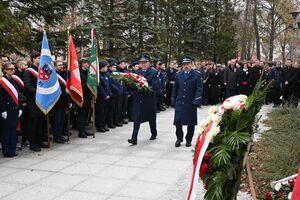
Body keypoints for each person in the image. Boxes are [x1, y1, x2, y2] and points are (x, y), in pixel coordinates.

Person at [128, 55, 160, 145]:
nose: (143, 64)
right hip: (138, 99)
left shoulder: (154, 73)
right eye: (141, 63)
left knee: (151, 118)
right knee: (136, 118)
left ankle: (154, 133)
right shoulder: (136, 73)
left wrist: (146, 88)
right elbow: (132, 85)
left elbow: (155, 86)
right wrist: (133, 91)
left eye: (145, 62)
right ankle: (134, 138)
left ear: (149, 63)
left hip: (149, 99)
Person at [171, 56, 203, 147]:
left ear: (192, 64)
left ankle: (188, 139)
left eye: (188, 64)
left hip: (191, 102)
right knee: (178, 122)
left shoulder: (197, 74)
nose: (186, 66)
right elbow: (175, 88)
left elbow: (199, 89)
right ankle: (179, 138)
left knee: (191, 122)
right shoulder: (178, 74)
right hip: (180, 101)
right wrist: (173, 99)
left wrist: (197, 100)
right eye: (184, 64)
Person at [23, 51, 45, 151]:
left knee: (40, 122)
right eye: (39, 58)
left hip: (41, 101)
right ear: (33, 59)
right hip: (33, 101)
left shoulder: (41, 70)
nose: (40, 59)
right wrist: (39, 92)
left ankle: (39, 141)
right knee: (34, 123)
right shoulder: (29, 71)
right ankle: (33, 144)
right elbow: (27, 86)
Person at [0, 63, 22, 157]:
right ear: (5, 70)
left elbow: (17, 95)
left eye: (14, 69)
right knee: (6, 131)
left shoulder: (14, 80)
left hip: (14, 109)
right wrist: (2, 110)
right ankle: (6, 151)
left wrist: (20, 108)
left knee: (13, 131)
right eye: (10, 69)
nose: (13, 70)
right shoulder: (2, 82)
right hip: (6, 109)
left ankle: (12, 150)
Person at [52, 61, 68, 143]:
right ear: (54, 66)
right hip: (57, 100)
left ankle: (60, 134)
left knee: (62, 119)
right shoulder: (53, 75)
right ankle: (56, 136)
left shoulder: (65, 73)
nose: (61, 66)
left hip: (64, 99)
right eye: (59, 65)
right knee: (57, 120)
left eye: (62, 65)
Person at [77, 59, 93, 138]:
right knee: (81, 114)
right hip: (82, 96)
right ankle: (81, 131)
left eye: (87, 63)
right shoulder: (79, 73)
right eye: (85, 63)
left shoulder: (88, 72)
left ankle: (84, 129)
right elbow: (78, 85)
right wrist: (87, 83)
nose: (87, 64)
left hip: (88, 96)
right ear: (81, 64)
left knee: (86, 113)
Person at [96, 61, 112, 132]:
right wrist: (104, 95)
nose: (107, 68)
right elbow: (99, 87)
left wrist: (109, 94)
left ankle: (103, 124)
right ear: (102, 68)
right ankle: (99, 126)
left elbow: (108, 86)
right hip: (101, 97)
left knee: (105, 112)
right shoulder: (98, 76)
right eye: (106, 67)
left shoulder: (105, 75)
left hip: (107, 96)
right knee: (100, 112)